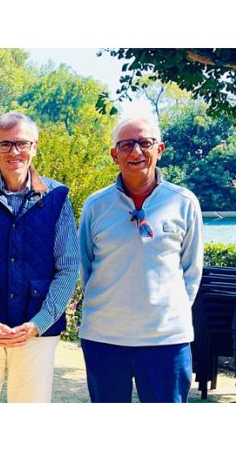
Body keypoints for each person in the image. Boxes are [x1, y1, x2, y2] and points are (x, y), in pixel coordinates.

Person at [0, 112, 79, 403]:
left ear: (34, 146)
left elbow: (69, 267)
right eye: (5, 144)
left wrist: (39, 323)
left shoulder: (57, 197)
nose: (14, 152)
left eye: (21, 143)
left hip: (37, 333)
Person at [79, 118, 203, 403]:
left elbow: (191, 271)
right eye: (126, 145)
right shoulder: (96, 206)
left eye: (144, 143)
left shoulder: (183, 202)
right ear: (114, 155)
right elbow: (86, 267)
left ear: (159, 149)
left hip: (166, 340)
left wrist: (166, 312)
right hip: (104, 339)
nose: (136, 152)